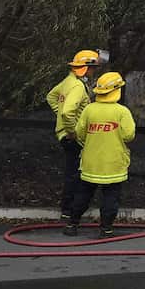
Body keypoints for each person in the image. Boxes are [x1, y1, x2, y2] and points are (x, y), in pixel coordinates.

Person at [64, 72, 136, 238]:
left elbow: (79, 133)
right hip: (114, 165)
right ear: (116, 90)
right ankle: (106, 229)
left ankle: (72, 225)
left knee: (83, 195)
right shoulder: (122, 112)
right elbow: (129, 135)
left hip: (90, 164)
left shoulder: (89, 109)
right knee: (111, 198)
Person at [46, 49, 99, 221]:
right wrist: (72, 131)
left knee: (72, 172)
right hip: (72, 137)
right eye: (92, 68)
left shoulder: (68, 81)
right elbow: (68, 112)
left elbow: (51, 97)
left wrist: (61, 116)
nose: (94, 72)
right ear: (85, 67)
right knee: (76, 174)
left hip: (64, 134)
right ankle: (69, 210)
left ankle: (68, 208)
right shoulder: (77, 86)